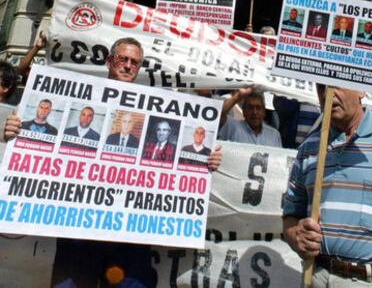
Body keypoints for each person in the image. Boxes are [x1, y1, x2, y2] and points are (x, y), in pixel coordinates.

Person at [5, 37, 222, 288]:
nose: (128, 66)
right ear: (109, 61)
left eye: (135, 62)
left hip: (129, 239)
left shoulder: (160, 107)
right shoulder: (79, 95)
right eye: (123, 59)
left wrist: (207, 160)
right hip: (77, 234)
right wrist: (13, 131)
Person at [283, 83, 372, 287]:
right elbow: (292, 214)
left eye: (337, 85)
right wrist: (296, 236)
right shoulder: (309, 148)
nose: (328, 94)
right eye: (321, 88)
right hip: (318, 277)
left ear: (362, 90)